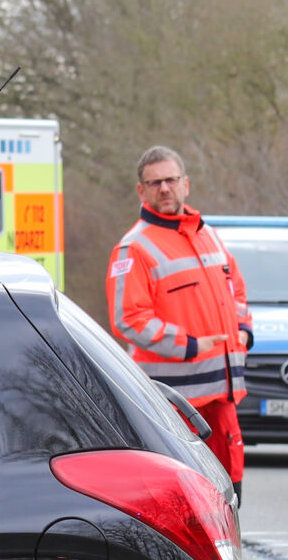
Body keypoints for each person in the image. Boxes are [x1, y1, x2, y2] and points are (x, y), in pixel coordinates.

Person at [106, 146, 252, 487]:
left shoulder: (208, 235)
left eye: (170, 180)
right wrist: (188, 345)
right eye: (154, 182)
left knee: (230, 503)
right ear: (141, 191)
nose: (165, 189)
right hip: (175, 409)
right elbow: (129, 318)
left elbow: (238, 292)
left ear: (186, 184)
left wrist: (243, 329)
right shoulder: (133, 248)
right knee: (186, 508)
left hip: (223, 404)